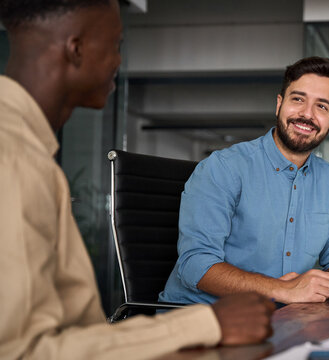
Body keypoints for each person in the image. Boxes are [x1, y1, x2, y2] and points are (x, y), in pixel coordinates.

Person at [0, 1, 274, 359]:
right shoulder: (14, 160)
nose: (118, 61)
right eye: (116, 45)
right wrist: (206, 324)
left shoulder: (31, 154)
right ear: (76, 48)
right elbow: (21, 352)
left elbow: (71, 332)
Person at [160, 56, 329, 305]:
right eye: (298, 99)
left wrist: (320, 282)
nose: (307, 114)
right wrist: (283, 290)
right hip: (204, 318)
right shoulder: (224, 167)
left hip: (283, 319)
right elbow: (195, 264)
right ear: (279, 105)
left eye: (321, 106)